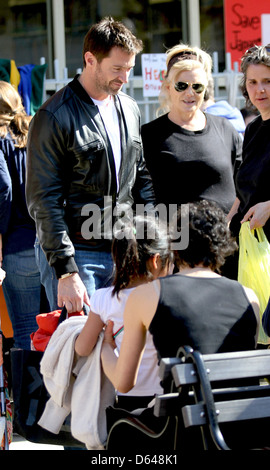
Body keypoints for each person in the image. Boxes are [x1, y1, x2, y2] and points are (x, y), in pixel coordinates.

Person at [26, 17, 155, 314]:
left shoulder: (130, 108)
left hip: (122, 249)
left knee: (123, 346)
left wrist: (148, 243)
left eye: (129, 69)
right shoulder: (53, 116)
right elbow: (43, 200)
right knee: (81, 350)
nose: (125, 78)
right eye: (117, 69)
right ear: (90, 60)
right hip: (76, 251)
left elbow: (141, 177)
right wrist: (66, 270)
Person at [101, 200, 260, 398]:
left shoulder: (148, 294)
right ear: (221, 245)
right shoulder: (250, 297)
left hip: (182, 425)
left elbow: (123, 383)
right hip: (242, 424)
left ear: (174, 247)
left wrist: (106, 347)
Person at [75, 215, 173, 411]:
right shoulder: (166, 298)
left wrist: (105, 345)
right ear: (156, 261)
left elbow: (82, 348)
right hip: (166, 396)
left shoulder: (104, 299)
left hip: (128, 401)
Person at [141, 44, 243, 216]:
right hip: (175, 240)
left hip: (227, 240)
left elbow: (245, 183)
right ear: (168, 87)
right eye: (182, 86)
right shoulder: (149, 135)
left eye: (197, 87)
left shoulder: (225, 129)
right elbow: (140, 194)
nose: (190, 93)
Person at [0, 81, 42, 349]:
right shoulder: (38, 131)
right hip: (52, 244)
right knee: (55, 328)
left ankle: (33, 393)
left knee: (27, 330)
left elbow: (3, 187)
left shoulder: (1, 139)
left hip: (18, 247)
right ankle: (58, 391)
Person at [228, 44, 270, 243]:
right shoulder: (253, 129)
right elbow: (243, 190)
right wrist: (226, 223)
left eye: (267, 81)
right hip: (249, 243)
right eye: (252, 82)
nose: (259, 89)